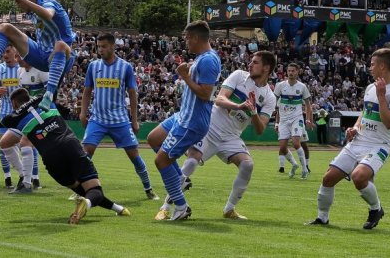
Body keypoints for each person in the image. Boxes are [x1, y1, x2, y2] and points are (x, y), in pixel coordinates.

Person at [0, 87, 130, 224]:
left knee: (83, 191)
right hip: (70, 145)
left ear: (14, 103)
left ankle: (118, 209)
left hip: (51, 158)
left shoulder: (13, 117)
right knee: (94, 190)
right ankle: (88, 204)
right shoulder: (44, 97)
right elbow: (54, 82)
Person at [156, 51, 277, 220]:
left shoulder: (270, 97)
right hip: (210, 127)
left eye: (255, 62)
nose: (250, 64)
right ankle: (166, 207)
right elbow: (219, 99)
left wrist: (253, 112)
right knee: (191, 162)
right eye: (250, 61)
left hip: (231, 136)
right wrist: (239, 106)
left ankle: (229, 209)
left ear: (266, 68)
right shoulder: (239, 76)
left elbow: (260, 129)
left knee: (247, 166)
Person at [307, 48, 390, 230]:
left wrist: (382, 97)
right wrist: (354, 128)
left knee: (359, 177)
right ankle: (322, 218)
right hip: (358, 142)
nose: (369, 67)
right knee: (328, 178)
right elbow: (365, 113)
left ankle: (376, 209)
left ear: (383, 66)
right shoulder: (371, 87)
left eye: (372, 64)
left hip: (378, 145)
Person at [146, 20, 221, 221]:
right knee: (153, 139)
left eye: (187, 38)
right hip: (183, 115)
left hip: (192, 122)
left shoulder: (208, 61)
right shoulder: (201, 58)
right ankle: (179, 178)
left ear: (196, 38)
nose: (185, 42)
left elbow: (205, 94)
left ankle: (180, 207)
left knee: (161, 160)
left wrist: (185, 76)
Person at [79, 33, 158, 201]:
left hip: (120, 120)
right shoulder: (93, 66)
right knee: (86, 152)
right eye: (98, 46)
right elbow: (87, 91)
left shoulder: (125, 67)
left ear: (113, 46)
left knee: (134, 155)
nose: (100, 50)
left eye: (104, 46)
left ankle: (148, 188)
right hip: (97, 119)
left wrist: (134, 120)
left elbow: (133, 93)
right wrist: (82, 112)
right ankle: (80, 189)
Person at [0, 45, 33, 193]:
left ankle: (29, 179)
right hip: (6, 112)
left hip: (25, 113)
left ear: (16, 51)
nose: (5, 54)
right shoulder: (0, 69)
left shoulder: (23, 69)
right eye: (3, 51)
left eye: (8, 51)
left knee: (25, 144)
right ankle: (15, 178)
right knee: (5, 144)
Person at [274, 63, 314, 179]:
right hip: (284, 120)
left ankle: (304, 169)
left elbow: (308, 105)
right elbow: (274, 102)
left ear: (297, 72)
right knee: (282, 147)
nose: (290, 73)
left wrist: (308, 119)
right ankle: (294, 164)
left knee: (296, 143)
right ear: (286, 72)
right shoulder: (280, 86)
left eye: (293, 71)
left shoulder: (302, 87)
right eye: (289, 70)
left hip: (297, 119)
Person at [18, 62, 49, 189]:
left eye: (19, 56)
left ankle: (27, 182)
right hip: (27, 114)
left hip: (39, 114)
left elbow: (50, 91)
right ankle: (30, 179)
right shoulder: (19, 71)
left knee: (26, 143)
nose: (18, 59)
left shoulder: (40, 69)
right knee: (6, 142)